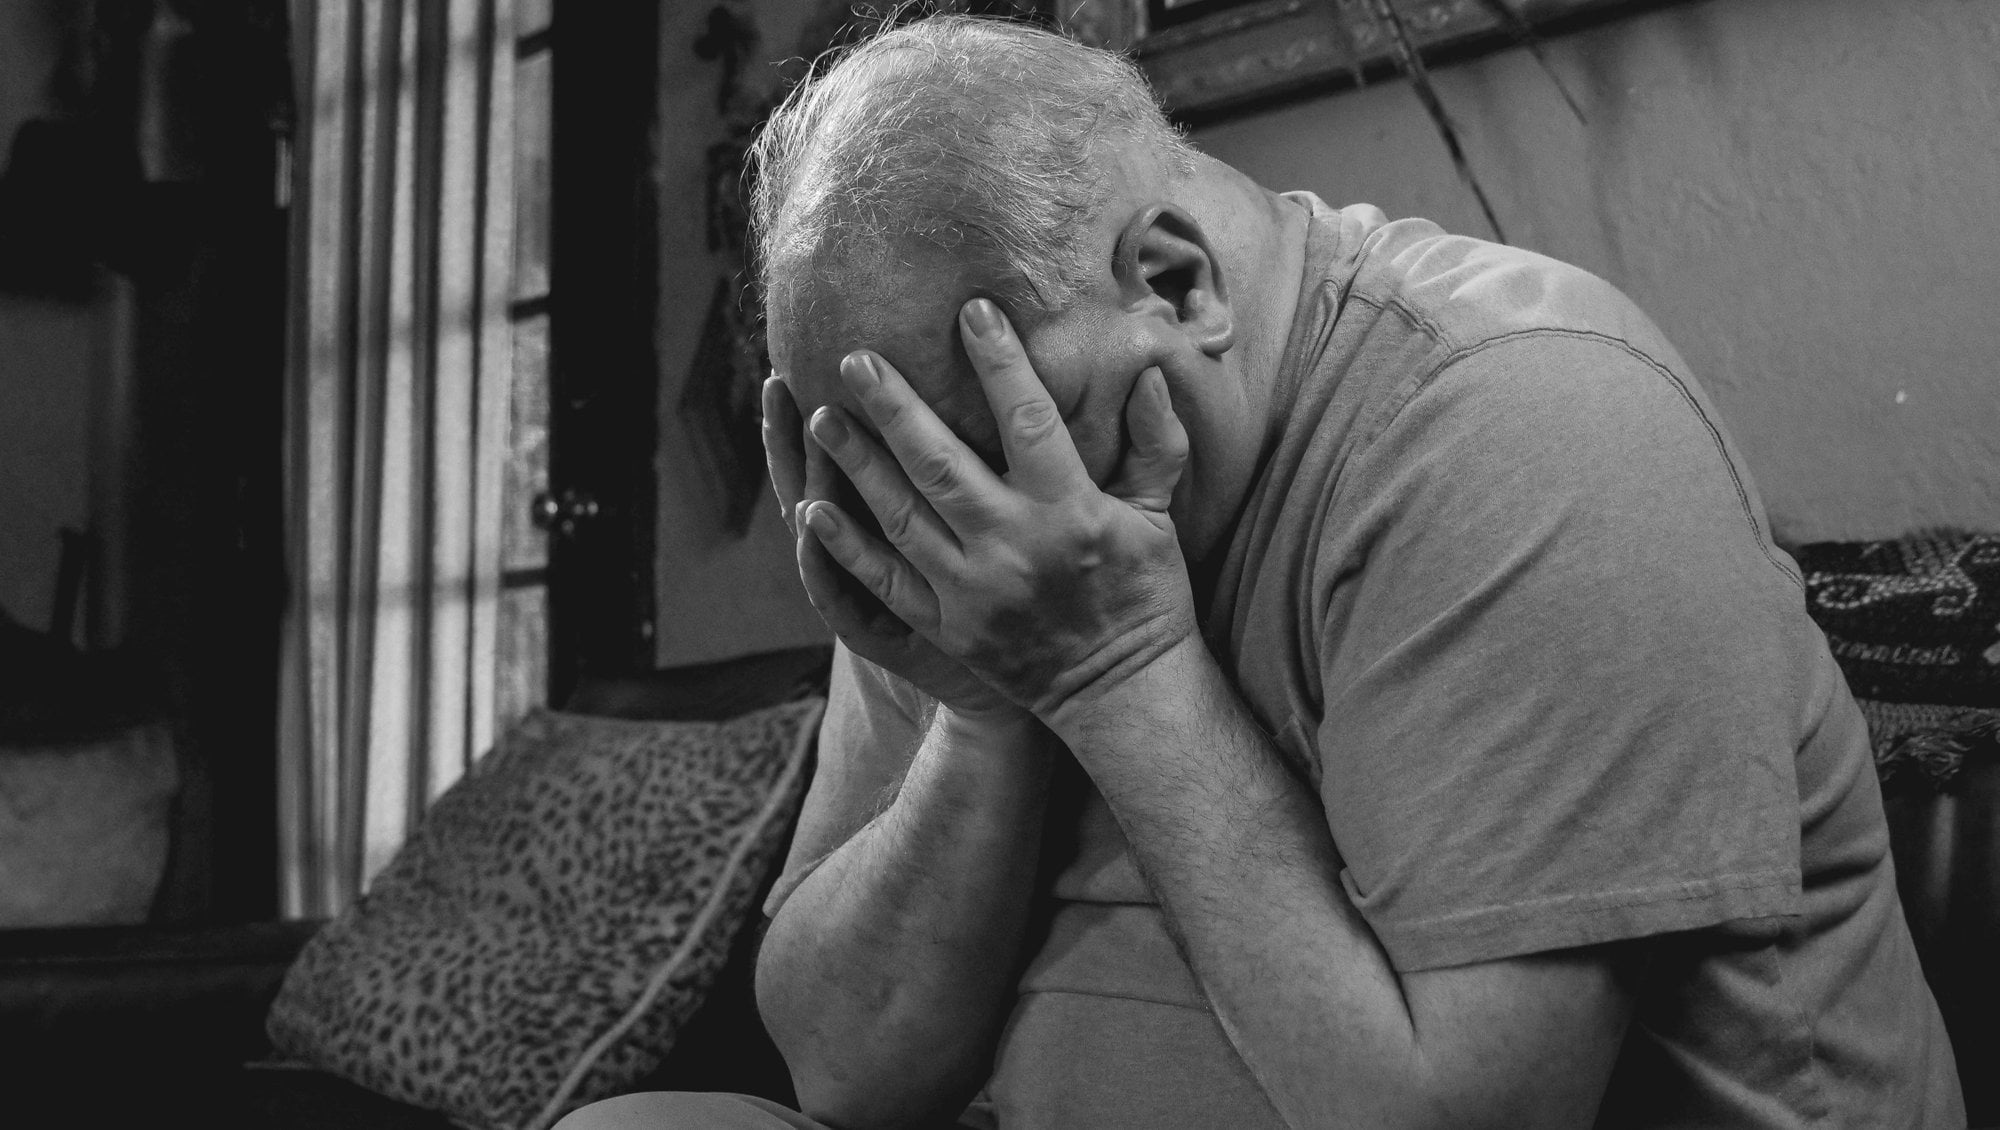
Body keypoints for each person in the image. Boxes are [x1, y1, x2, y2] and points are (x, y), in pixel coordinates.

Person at [559, 14, 1962, 1130]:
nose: (971, 537)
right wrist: (989, 707)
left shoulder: (1526, 424)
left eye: (985, 459)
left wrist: (1116, 672)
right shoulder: (962, 489)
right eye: (906, 487)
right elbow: (844, 1069)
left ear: (1176, 284)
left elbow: (1455, 1116)